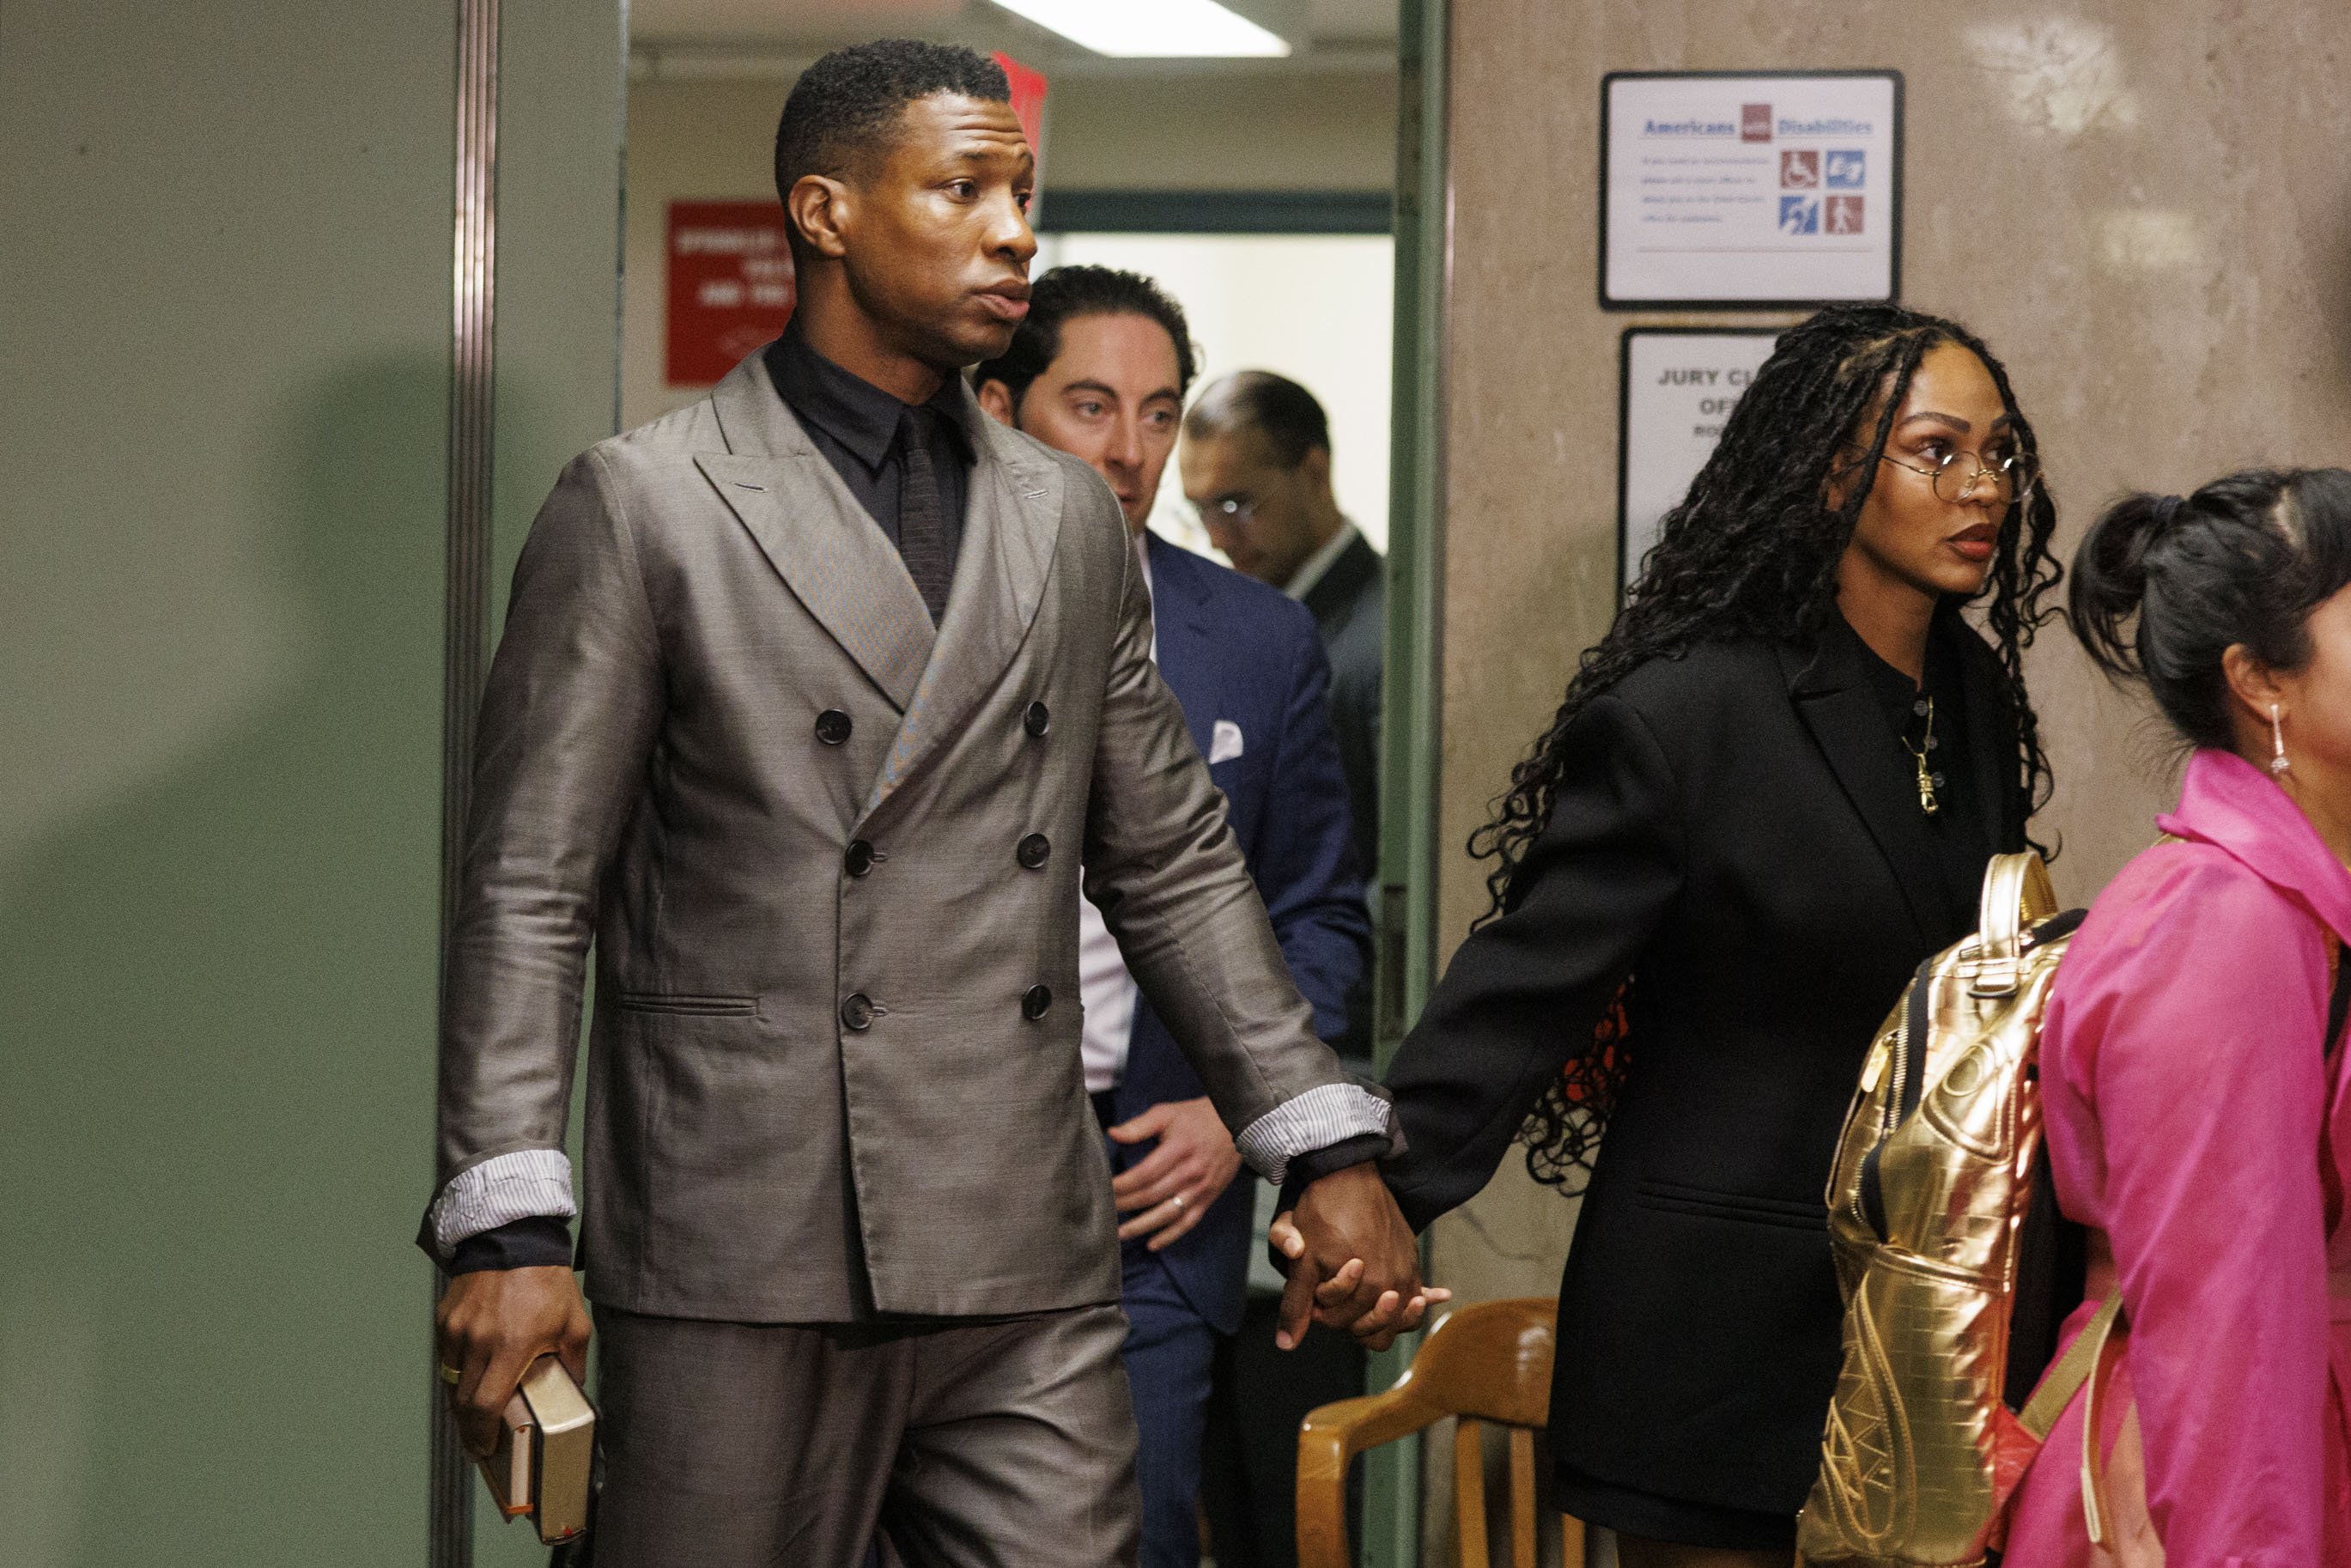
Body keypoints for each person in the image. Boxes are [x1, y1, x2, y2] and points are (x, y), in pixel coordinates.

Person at [420, 40, 1435, 1568]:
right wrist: (507, 1222)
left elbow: (1170, 859)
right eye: (959, 189)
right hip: (740, 1237)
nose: (1010, 229)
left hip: (1021, 1239)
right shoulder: (648, 506)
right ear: (823, 213)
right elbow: (531, 888)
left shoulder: (1058, 518)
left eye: (1019, 192)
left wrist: (1324, 1144)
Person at [1362, 304, 2063, 1565]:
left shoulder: (1971, 698)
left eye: (2000, 453)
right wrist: (1366, 1191)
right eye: (1936, 450)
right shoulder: (1687, 713)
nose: (1983, 486)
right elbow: (1522, 992)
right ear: (1826, 468)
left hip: (1915, 1330)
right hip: (1717, 1337)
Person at [973, 264, 1372, 1568]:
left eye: (1157, 412)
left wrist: (1234, 1108)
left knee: (1128, 1535)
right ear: (999, 407)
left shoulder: (1255, 639)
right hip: (941, 1165)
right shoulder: (905, 617)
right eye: (1090, 406)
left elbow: (1315, 914)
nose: (1129, 450)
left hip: (1150, 1182)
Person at [2003, 468, 2351, 1564]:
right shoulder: (2223, 926)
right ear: (2260, 682)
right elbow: (2223, 1331)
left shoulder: (2295, 892)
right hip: (2201, 1489)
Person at [1181, 372, 1384, 890]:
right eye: (1199, 510)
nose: (1216, 538)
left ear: (1314, 472)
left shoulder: (1387, 636)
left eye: (1234, 505)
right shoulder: (1245, 629)